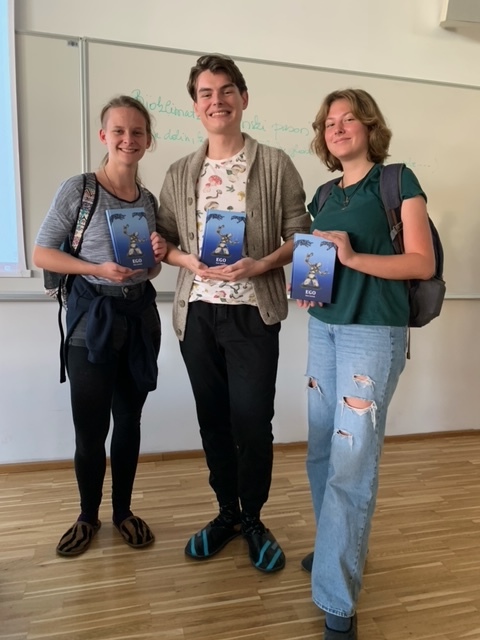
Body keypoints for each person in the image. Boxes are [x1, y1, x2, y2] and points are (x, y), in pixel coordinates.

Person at [157, 54, 310, 573]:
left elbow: (300, 235)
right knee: (213, 422)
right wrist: (185, 259)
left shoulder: (275, 163)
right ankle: (227, 513)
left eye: (226, 90)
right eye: (205, 93)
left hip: (252, 315)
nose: (216, 101)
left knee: (252, 422)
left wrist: (260, 264)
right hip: (197, 315)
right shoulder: (180, 171)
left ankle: (254, 518)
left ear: (243, 98)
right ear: (195, 105)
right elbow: (165, 242)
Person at [297, 89, 435, 639]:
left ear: (369, 127)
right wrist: (309, 284)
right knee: (320, 449)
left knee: (352, 461)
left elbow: (420, 261)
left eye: (348, 118)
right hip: (324, 328)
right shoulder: (324, 194)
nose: (337, 128)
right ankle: (336, 548)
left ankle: (337, 597)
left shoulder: (397, 181)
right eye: (329, 122)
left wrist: (352, 256)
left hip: (372, 332)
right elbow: (319, 258)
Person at [33, 95, 166, 557]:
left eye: (137, 132)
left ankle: (123, 512)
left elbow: (150, 270)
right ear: (104, 136)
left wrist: (155, 257)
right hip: (91, 323)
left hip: (140, 320)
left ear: (148, 140)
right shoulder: (80, 190)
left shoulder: (148, 201)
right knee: (90, 430)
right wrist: (96, 269)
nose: (128, 139)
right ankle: (87, 516)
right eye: (119, 131)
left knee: (129, 421)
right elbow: (42, 253)